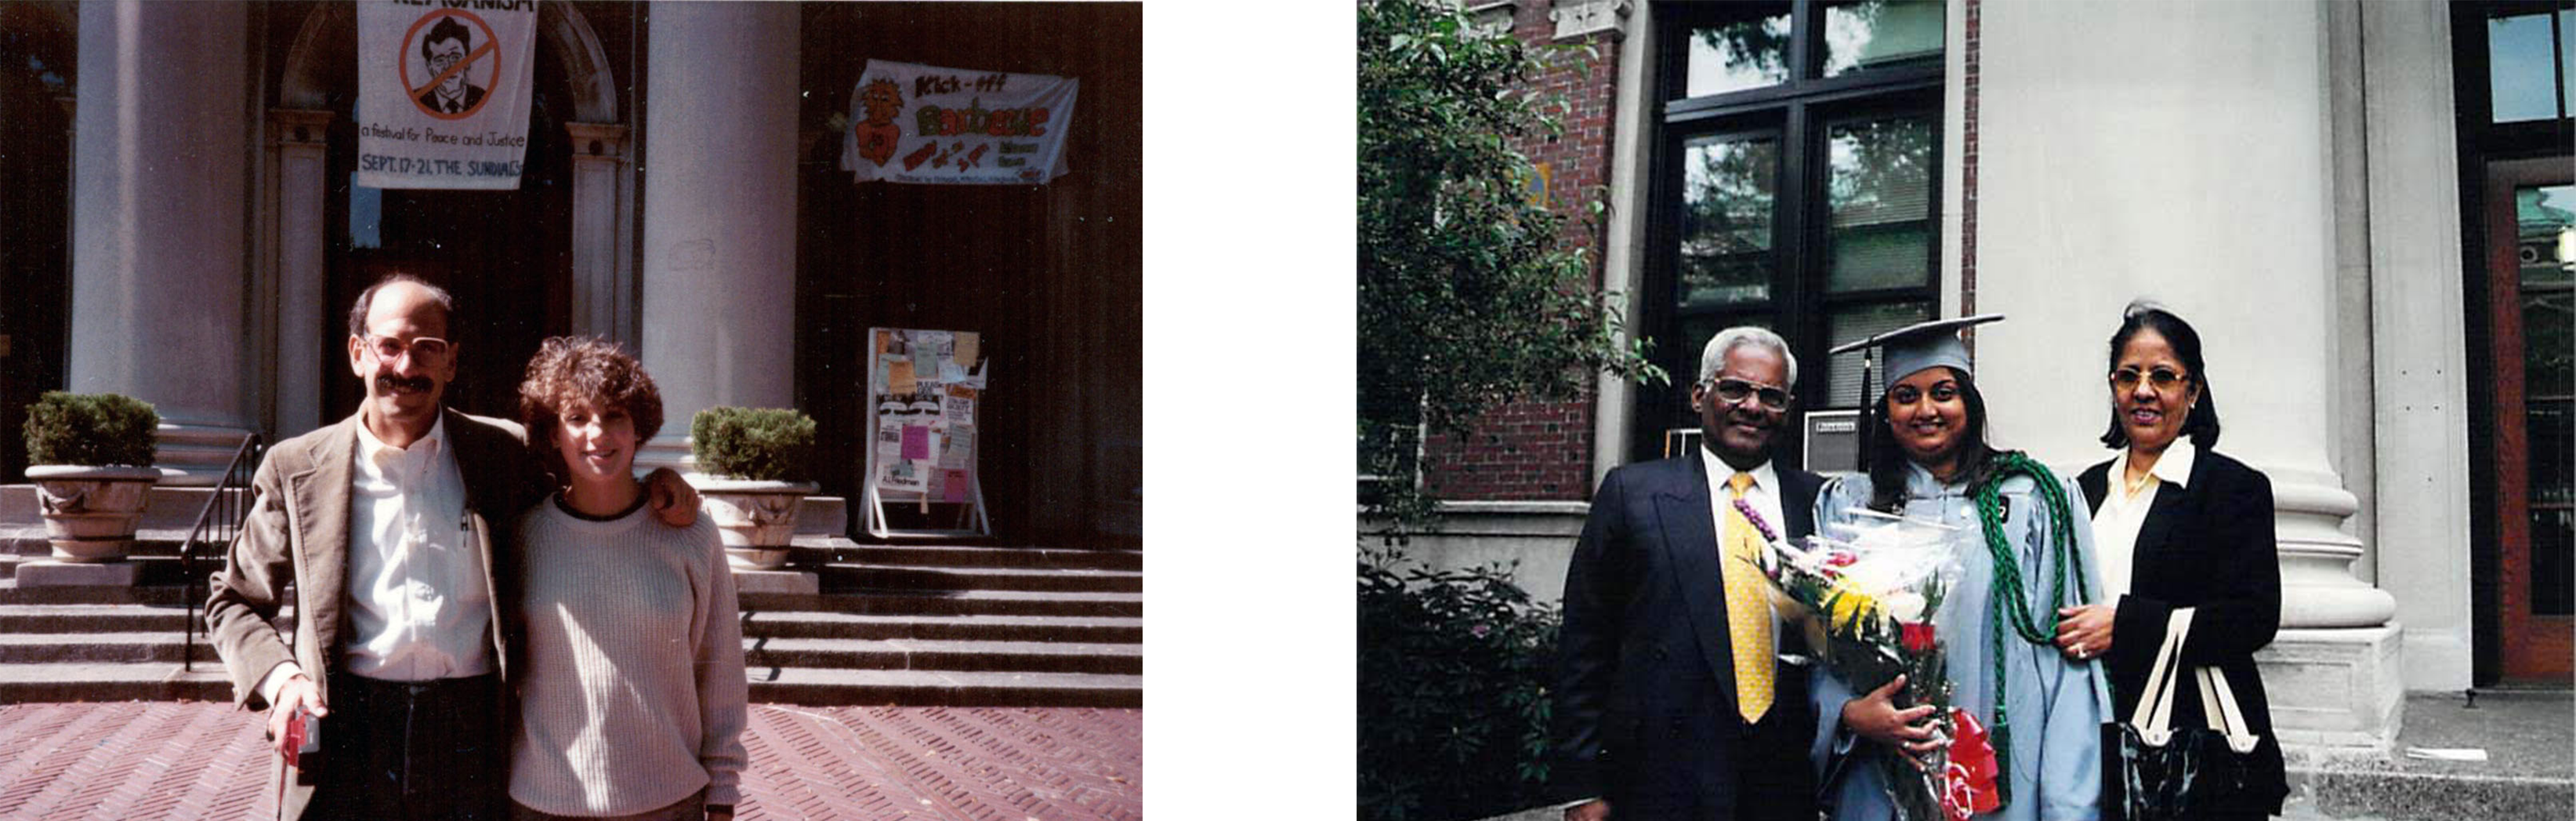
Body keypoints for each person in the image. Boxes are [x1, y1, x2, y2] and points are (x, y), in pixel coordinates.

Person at [205, 274, 699, 820]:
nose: (406, 367)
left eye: (427, 349)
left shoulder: (503, 452)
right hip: (349, 725)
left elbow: (592, 478)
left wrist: (661, 481)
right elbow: (233, 600)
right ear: (357, 353)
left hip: (472, 733)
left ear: (452, 363)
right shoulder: (297, 466)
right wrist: (283, 679)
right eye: (389, 346)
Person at [1810, 314, 2111, 821]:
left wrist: (2068, 804)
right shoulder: (1848, 505)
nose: (1925, 409)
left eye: (1943, 392)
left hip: (2010, 773)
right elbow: (1822, 647)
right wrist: (1847, 713)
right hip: (1882, 773)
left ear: (1968, 401)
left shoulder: (2035, 497)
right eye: (1905, 395)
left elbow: (2070, 661)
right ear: (1884, 410)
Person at [1552, 326, 1827, 821]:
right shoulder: (1632, 495)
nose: (1752, 406)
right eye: (1735, 388)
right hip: (1661, 778)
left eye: (1771, 396)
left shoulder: (1820, 503)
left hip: (1784, 780)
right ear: (1700, 396)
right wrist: (1583, 785)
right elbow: (1584, 645)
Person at [2058, 302, 2288, 819]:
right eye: (2127, 375)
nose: (2143, 390)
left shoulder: (2231, 487)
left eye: (2162, 376)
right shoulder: (2084, 490)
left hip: (2192, 741)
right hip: (2092, 725)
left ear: (2193, 390)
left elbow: (2252, 617)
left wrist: (2126, 623)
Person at [509, 336, 745, 821]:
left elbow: (719, 667)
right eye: (577, 418)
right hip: (543, 803)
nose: (599, 433)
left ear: (638, 427)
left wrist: (722, 792)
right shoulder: (522, 535)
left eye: (615, 415)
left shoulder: (691, 534)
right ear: (553, 433)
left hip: (666, 801)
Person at [415, 16, 488, 114]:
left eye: (455, 58)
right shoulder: (416, 99)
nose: (448, 67)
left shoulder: (484, 98)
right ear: (429, 67)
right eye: (440, 60)